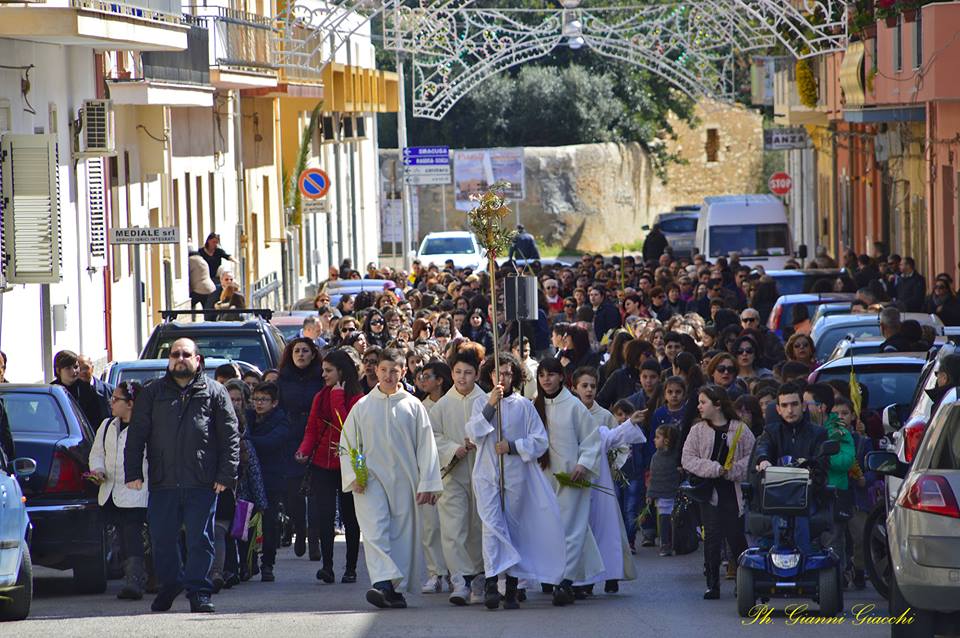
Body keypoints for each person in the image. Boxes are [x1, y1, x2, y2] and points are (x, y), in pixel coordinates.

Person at [124, 338, 240, 614]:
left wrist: (227, 474)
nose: (180, 358)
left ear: (197, 360)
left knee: (200, 539)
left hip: (202, 480)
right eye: (175, 354)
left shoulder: (215, 392)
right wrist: (132, 472)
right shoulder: (152, 393)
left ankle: (199, 591)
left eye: (186, 354)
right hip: (163, 479)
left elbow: (230, 436)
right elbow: (137, 434)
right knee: (162, 538)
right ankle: (171, 583)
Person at [340, 348, 443, 610]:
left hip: (405, 480)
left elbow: (426, 447)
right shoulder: (362, 407)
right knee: (376, 530)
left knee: (402, 535)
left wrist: (428, 483)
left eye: (393, 371)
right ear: (375, 371)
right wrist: (355, 474)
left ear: (403, 372)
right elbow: (350, 443)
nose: (387, 375)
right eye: (383, 370)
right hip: (369, 480)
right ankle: (383, 584)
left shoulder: (413, 406)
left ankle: (393, 590)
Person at [466, 353, 565, 610]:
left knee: (512, 527)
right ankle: (490, 583)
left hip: (515, 474)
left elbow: (540, 440)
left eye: (508, 373)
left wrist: (512, 446)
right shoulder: (480, 402)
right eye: (498, 373)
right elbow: (474, 432)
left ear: (515, 376)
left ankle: (511, 587)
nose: (503, 378)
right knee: (491, 527)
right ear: (490, 375)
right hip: (487, 473)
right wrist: (490, 405)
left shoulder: (524, 406)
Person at [533, 357, 604, 605]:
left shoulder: (574, 406)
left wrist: (583, 464)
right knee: (552, 528)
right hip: (544, 477)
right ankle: (566, 575)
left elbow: (591, 439)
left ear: (562, 377)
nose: (546, 379)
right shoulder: (534, 405)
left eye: (551, 374)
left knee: (571, 529)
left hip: (572, 477)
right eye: (542, 375)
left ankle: (565, 581)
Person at [571, 367, 643, 594]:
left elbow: (617, 442)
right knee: (582, 527)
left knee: (606, 527)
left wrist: (612, 463)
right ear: (575, 388)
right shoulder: (570, 411)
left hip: (600, 477)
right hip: (576, 476)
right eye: (584, 385)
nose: (589, 390)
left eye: (593, 386)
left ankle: (611, 573)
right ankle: (585, 577)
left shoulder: (604, 416)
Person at [297, 349, 364, 585]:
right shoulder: (320, 396)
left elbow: (347, 427)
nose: (323, 375)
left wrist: (337, 397)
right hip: (322, 465)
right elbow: (312, 429)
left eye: (328, 371)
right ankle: (327, 566)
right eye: (323, 370)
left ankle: (351, 568)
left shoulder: (356, 398)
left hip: (350, 465)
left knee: (351, 517)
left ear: (341, 372)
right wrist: (304, 450)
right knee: (324, 517)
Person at [681, 385, 754, 600]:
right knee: (711, 538)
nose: (699, 406)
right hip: (709, 492)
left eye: (703, 402)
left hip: (733, 492)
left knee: (737, 539)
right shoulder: (698, 430)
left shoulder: (740, 429)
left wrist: (733, 471)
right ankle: (712, 584)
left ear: (718, 404)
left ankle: (744, 583)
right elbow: (688, 458)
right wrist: (714, 468)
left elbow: (751, 456)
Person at [430, 351, 487, 606]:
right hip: (452, 473)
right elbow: (433, 436)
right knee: (453, 527)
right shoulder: (441, 405)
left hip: (482, 471)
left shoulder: (486, 401)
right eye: (458, 372)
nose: (462, 378)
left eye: (468, 372)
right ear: (451, 373)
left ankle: (479, 576)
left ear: (476, 373)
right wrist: (454, 448)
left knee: (479, 524)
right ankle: (460, 579)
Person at [88, 381, 148, 600]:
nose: (111, 403)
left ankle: (135, 581)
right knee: (120, 537)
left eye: (116, 399)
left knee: (132, 535)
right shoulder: (106, 426)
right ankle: (129, 578)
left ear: (130, 403)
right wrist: (98, 470)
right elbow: (97, 454)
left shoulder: (146, 427)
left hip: (136, 493)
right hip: (110, 492)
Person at [275, 338, 326, 560]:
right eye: (297, 351)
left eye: (306, 351)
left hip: (316, 434)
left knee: (316, 490)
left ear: (313, 354)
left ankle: (314, 536)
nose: (301, 355)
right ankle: (299, 527)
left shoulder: (321, 378)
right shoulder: (283, 379)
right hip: (291, 436)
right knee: (292, 491)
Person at [244, 382, 290, 583]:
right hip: (248, 479)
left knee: (269, 523)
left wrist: (247, 441)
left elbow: (271, 442)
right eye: (256, 399)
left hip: (271, 479)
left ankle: (267, 564)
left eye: (263, 400)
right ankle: (248, 562)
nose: (259, 404)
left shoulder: (282, 421)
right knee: (245, 521)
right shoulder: (249, 418)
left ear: (274, 403)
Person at [647, 424, 681, 557]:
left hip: (675, 492)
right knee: (664, 519)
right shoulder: (656, 457)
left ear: (666, 440)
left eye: (657, 437)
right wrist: (650, 493)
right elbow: (653, 476)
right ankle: (665, 544)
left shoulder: (676, 456)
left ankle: (677, 543)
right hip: (661, 494)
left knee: (676, 519)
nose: (654, 440)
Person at [51, 350, 110, 428]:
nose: (74, 371)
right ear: (58, 370)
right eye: (68, 368)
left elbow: (96, 419)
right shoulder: (51, 390)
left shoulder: (87, 389)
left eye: (76, 367)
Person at [77, 354, 114, 420]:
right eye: (79, 369)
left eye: (85, 368)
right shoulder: (71, 392)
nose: (83, 372)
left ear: (92, 368)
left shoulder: (109, 391)